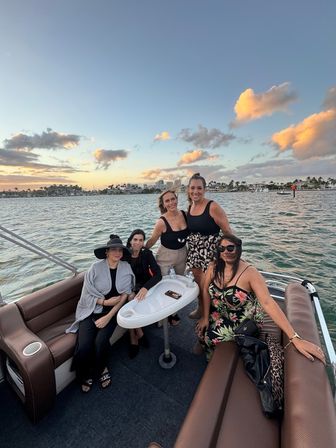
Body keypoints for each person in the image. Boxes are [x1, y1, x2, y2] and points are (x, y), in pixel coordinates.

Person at [196, 232, 326, 365]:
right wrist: (205, 316)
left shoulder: (250, 273)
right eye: (221, 249)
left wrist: (295, 338)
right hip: (222, 312)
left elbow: (268, 302)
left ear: (238, 249)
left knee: (210, 335)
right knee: (200, 326)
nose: (226, 252)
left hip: (243, 319)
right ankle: (208, 349)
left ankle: (211, 360)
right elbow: (205, 290)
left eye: (230, 248)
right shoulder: (214, 267)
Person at [67, 235, 135, 392]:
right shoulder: (95, 268)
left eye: (120, 250)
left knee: (100, 342)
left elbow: (125, 295)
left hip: (112, 312)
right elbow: (86, 294)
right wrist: (103, 302)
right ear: (107, 252)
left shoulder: (125, 267)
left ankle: (102, 368)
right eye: (113, 250)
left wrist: (108, 316)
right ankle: (85, 374)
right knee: (84, 346)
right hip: (90, 309)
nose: (117, 253)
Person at [186, 173, 232, 320]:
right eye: (192, 188)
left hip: (210, 251)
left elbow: (227, 232)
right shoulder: (190, 206)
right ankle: (201, 308)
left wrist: (230, 254)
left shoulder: (212, 206)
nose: (195, 191)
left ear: (204, 189)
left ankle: (212, 313)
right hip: (194, 251)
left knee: (210, 285)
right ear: (188, 189)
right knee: (199, 284)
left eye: (199, 188)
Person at [146, 189, 189, 325]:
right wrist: (140, 251)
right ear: (163, 204)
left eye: (173, 199)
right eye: (167, 201)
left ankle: (173, 313)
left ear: (177, 199)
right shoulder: (161, 222)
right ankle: (161, 314)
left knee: (180, 284)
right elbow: (152, 240)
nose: (171, 203)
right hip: (165, 255)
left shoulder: (185, 214)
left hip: (183, 253)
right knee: (161, 285)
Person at [126, 228, 162, 357]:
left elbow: (158, 275)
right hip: (128, 288)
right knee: (130, 298)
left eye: (141, 240)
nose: (138, 242)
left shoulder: (146, 253)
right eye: (135, 239)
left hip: (145, 286)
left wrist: (145, 288)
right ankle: (137, 334)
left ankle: (133, 337)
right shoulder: (124, 255)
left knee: (132, 299)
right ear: (130, 241)